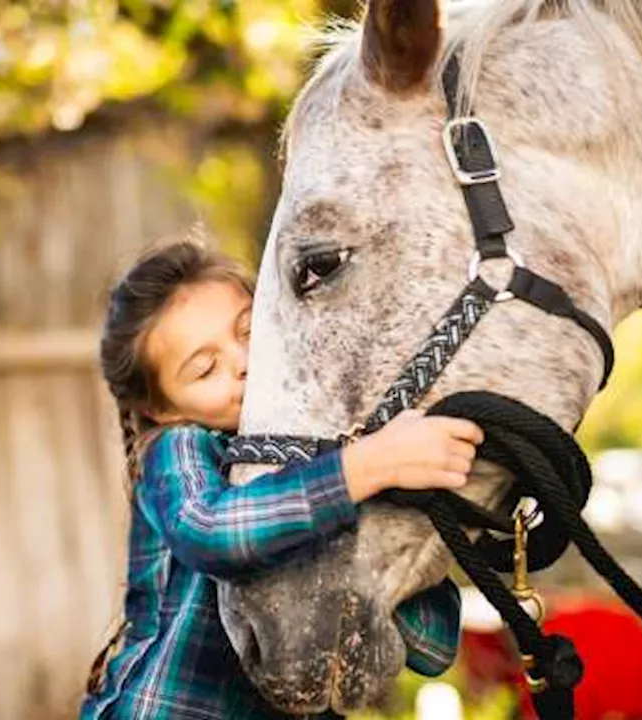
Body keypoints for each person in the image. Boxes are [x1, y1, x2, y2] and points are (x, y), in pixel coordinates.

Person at [81, 238, 484, 719]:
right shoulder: (180, 447)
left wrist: (400, 505)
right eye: (206, 369)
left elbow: (433, 647)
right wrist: (370, 466)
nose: (244, 362)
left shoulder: (330, 455)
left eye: (249, 331)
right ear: (160, 408)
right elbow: (209, 528)